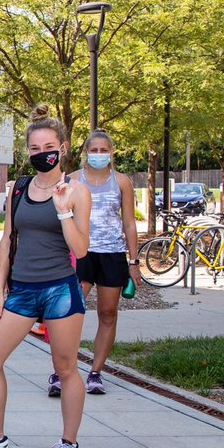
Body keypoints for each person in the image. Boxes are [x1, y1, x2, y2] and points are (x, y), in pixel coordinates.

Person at [0, 105, 92, 448]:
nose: (40, 153)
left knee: (65, 370)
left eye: (48, 146)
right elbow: (6, 240)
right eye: (33, 148)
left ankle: (69, 445)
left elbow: (80, 249)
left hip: (60, 289)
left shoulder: (76, 192)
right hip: (22, 290)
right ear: (27, 152)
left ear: (62, 148)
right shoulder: (18, 189)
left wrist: (63, 211)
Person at [67, 129, 141, 396]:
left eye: (104, 150)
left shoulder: (121, 181)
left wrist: (133, 261)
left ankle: (96, 373)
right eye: (94, 150)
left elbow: (129, 223)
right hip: (82, 253)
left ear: (111, 153)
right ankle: (62, 371)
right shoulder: (73, 180)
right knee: (70, 313)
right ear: (86, 152)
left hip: (112, 254)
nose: (99, 155)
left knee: (108, 314)